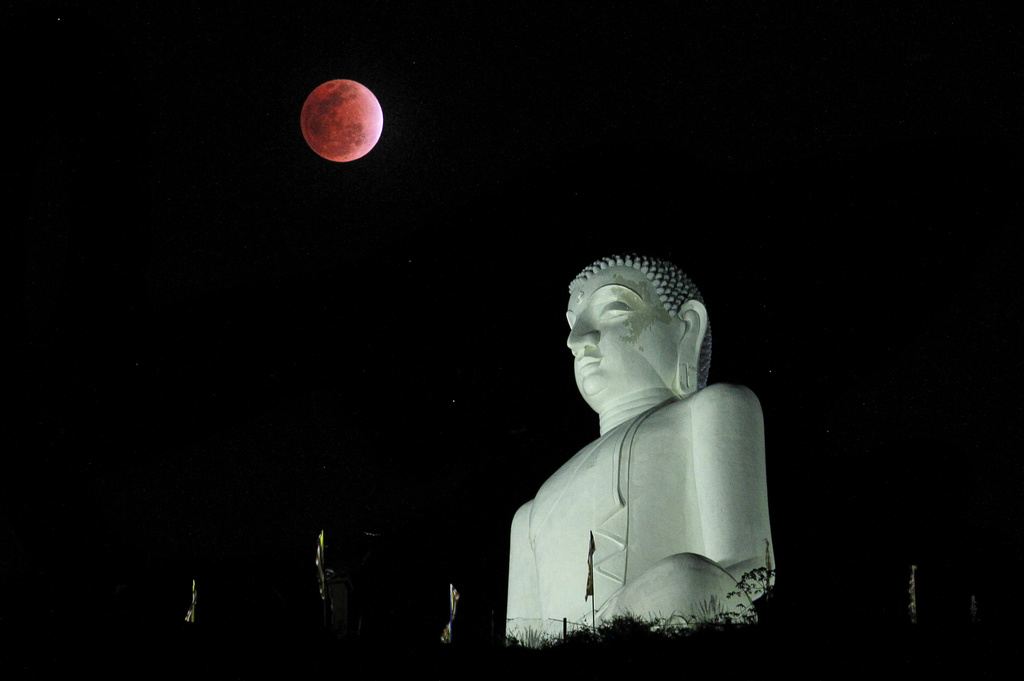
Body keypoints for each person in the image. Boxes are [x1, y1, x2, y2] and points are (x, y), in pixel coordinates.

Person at [506, 254, 774, 641]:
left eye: (615, 309)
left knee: (682, 581)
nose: (577, 341)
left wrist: (664, 597)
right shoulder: (536, 509)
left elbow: (751, 574)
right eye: (572, 325)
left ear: (686, 329)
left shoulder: (712, 409)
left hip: (663, 626)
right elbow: (522, 634)